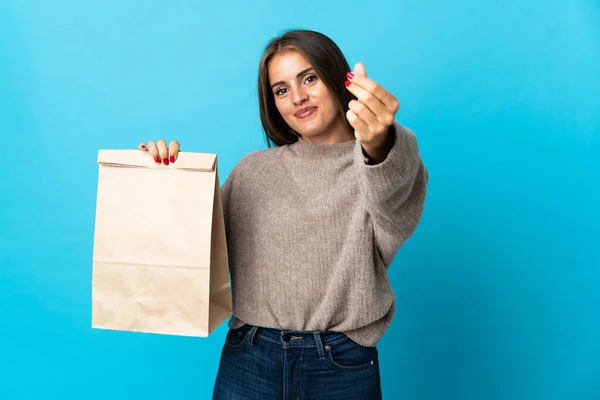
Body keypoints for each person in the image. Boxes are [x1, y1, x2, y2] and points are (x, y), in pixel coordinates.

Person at [139, 29, 428, 400]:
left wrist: (380, 141)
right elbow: (192, 251)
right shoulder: (252, 171)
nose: (298, 97)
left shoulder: (375, 168)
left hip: (340, 365)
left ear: (339, 79)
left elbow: (395, 188)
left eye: (309, 78)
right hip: (249, 358)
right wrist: (167, 179)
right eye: (281, 89)